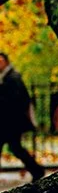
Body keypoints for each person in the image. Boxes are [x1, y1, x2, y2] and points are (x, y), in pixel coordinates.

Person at [0, 51, 45, 181]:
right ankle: (37, 171)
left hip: (10, 122)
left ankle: (37, 171)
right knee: (16, 148)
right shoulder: (6, 77)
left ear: (6, 62)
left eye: (1, 61)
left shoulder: (13, 78)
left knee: (16, 148)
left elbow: (19, 100)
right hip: (7, 122)